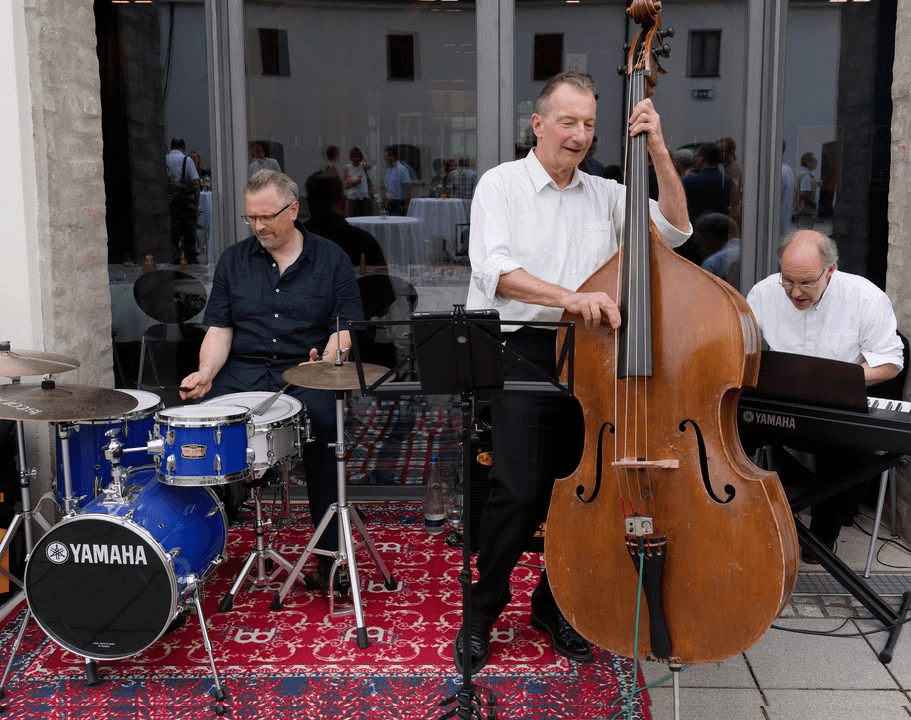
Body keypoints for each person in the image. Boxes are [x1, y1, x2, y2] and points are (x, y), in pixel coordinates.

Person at [461, 72, 690, 674]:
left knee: (579, 492)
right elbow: (496, 271)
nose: (581, 134)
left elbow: (674, 231)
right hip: (523, 350)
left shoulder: (608, 192)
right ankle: (482, 610)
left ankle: (555, 603)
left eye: (590, 124)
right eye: (569, 122)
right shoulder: (501, 185)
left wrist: (659, 149)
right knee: (518, 490)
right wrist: (572, 297)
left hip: (592, 355)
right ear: (537, 124)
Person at [179, 169, 363, 589]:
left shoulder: (331, 257)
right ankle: (194, 549)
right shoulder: (233, 260)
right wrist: (206, 374)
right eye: (251, 218)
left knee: (327, 429)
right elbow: (220, 329)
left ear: (293, 209)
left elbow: (345, 327)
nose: (258, 226)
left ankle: (329, 556)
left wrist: (329, 361)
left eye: (267, 217)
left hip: (305, 372)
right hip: (242, 371)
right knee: (197, 431)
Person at [746, 229, 903, 562]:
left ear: (830, 270)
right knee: (728, 431)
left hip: (834, 408)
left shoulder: (865, 297)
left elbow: (890, 363)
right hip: (782, 405)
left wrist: (835, 380)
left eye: (806, 283)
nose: (794, 292)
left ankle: (820, 537)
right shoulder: (763, 292)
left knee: (849, 451)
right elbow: (741, 346)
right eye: (787, 281)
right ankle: (739, 521)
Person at [681, 141, 735, 225]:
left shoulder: (688, 181)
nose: (695, 160)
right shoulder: (728, 181)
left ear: (702, 158)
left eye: (697, 156)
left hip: (696, 227)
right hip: (721, 228)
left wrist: (685, 176)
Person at [165, 137, 200, 264]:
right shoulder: (187, 160)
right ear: (183, 147)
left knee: (173, 237)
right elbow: (196, 183)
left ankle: (174, 261)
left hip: (170, 203)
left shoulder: (165, 159)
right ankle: (191, 264)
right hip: (186, 205)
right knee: (189, 237)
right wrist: (196, 202)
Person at [381, 146, 414, 215]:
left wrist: (407, 204)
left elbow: (408, 186)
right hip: (388, 202)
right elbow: (384, 184)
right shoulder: (387, 169)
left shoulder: (402, 169)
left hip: (398, 202)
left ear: (395, 156)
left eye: (389, 155)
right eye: (386, 156)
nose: (386, 158)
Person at [343, 146, 372, 217]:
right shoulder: (347, 168)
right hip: (353, 198)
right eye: (353, 157)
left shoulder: (363, 166)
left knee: (364, 217)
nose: (355, 159)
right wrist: (354, 183)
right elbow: (346, 186)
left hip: (364, 196)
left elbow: (369, 165)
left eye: (357, 157)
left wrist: (362, 151)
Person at [795, 152, 820, 228]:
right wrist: (812, 204)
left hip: (801, 211)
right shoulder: (806, 176)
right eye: (815, 160)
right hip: (806, 212)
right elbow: (804, 194)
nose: (817, 162)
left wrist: (816, 184)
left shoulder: (801, 173)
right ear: (807, 162)